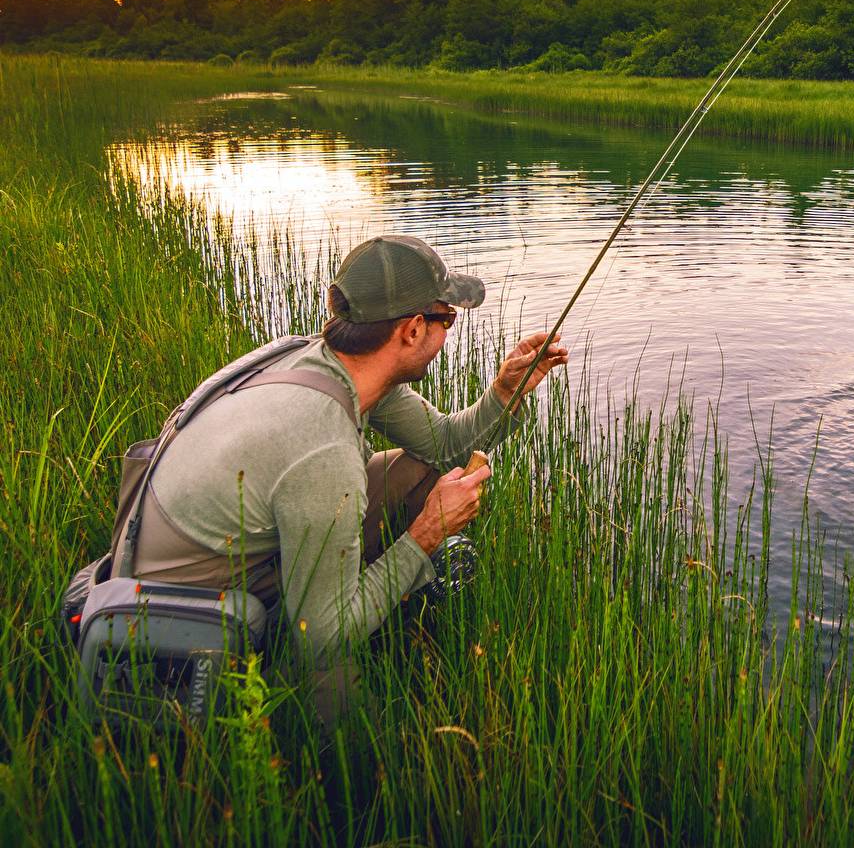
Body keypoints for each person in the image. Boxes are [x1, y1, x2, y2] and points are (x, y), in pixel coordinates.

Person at [111, 235, 567, 723]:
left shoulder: (331, 364)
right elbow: (322, 633)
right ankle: (324, 744)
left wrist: (503, 393)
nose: (447, 332)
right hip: (187, 610)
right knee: (335, 672)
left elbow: (442, 445)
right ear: (413, 330)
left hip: (220, 548)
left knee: (413, 471)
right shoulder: (323, 445)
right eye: (446, 319)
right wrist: (427, 533)